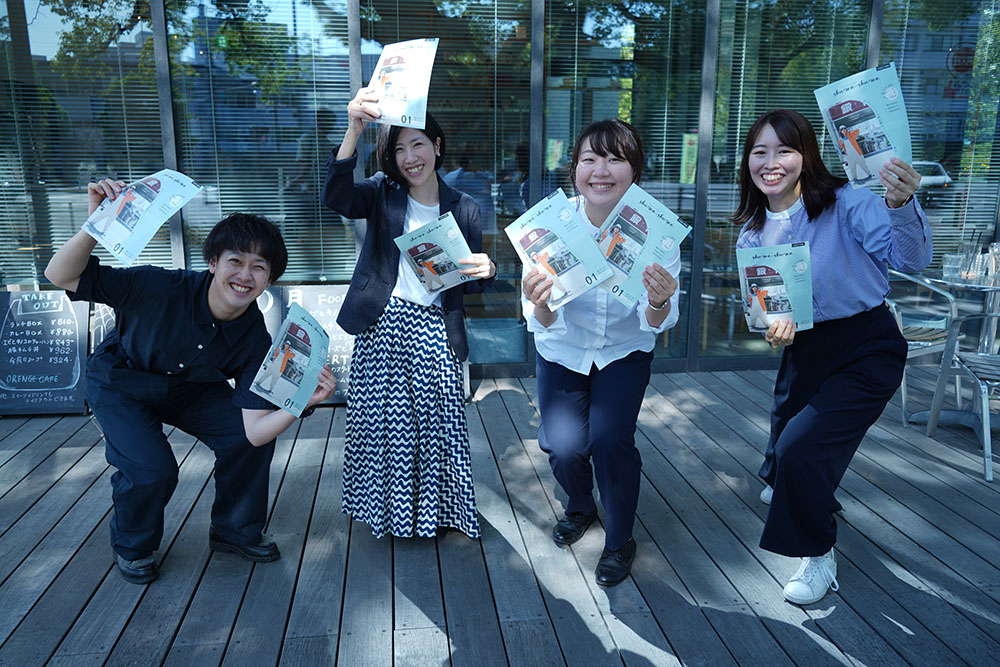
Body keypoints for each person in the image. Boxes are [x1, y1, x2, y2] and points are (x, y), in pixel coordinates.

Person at [44, 180, 337, 584]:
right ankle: (133, 545)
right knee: (152, 469)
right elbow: (59, 274)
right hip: (120, 382)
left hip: (189, 389)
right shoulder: (157, 286)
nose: (245, 275)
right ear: (213, 263)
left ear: (269, 280)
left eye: (259, 267)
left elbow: (254, 433)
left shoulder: (256, 339)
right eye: (236, 261)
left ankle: (234, 530)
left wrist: (299, 400)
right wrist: (96, 225)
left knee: (241, 440)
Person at [733, 109, 930, 605]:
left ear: (807, 156)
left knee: (800, 450)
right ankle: (790, 485)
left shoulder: (848, 203)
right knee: (786, 446)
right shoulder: (752, 234)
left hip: (867, 345)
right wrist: (774, 331)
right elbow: (765, 319)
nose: (771, 162)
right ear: (747, 161)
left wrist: (901, 204)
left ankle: (817, 553)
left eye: (784, 150)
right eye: (760, 152)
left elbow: (911, 259)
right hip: (805, 348)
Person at [321, 87, 497, 539]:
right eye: (398, 149)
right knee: (384, 425)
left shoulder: (465, 207)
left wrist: (488, 268)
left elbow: (467, 279)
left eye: (417, 144)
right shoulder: (383, 192)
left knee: (440, 424)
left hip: (436, 327)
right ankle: (389, 514)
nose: (409, 157)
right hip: (383, 322)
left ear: (436, 145)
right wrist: (354, 129)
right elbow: (337, 197)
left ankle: (439, 513)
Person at [521, 119, 681, 587]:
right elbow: (539, 319)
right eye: (590, 159)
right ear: (575, 168)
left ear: (635, 171)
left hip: (623, 352)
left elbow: (659, 319)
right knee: (563, 445)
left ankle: (619, 538)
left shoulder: (656, 230)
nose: (601, 170)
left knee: (611, 441)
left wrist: (659, 300)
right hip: (563, 349)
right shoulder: (549, 226)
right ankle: (580, 506)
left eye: (616, 159)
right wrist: (541, 302)